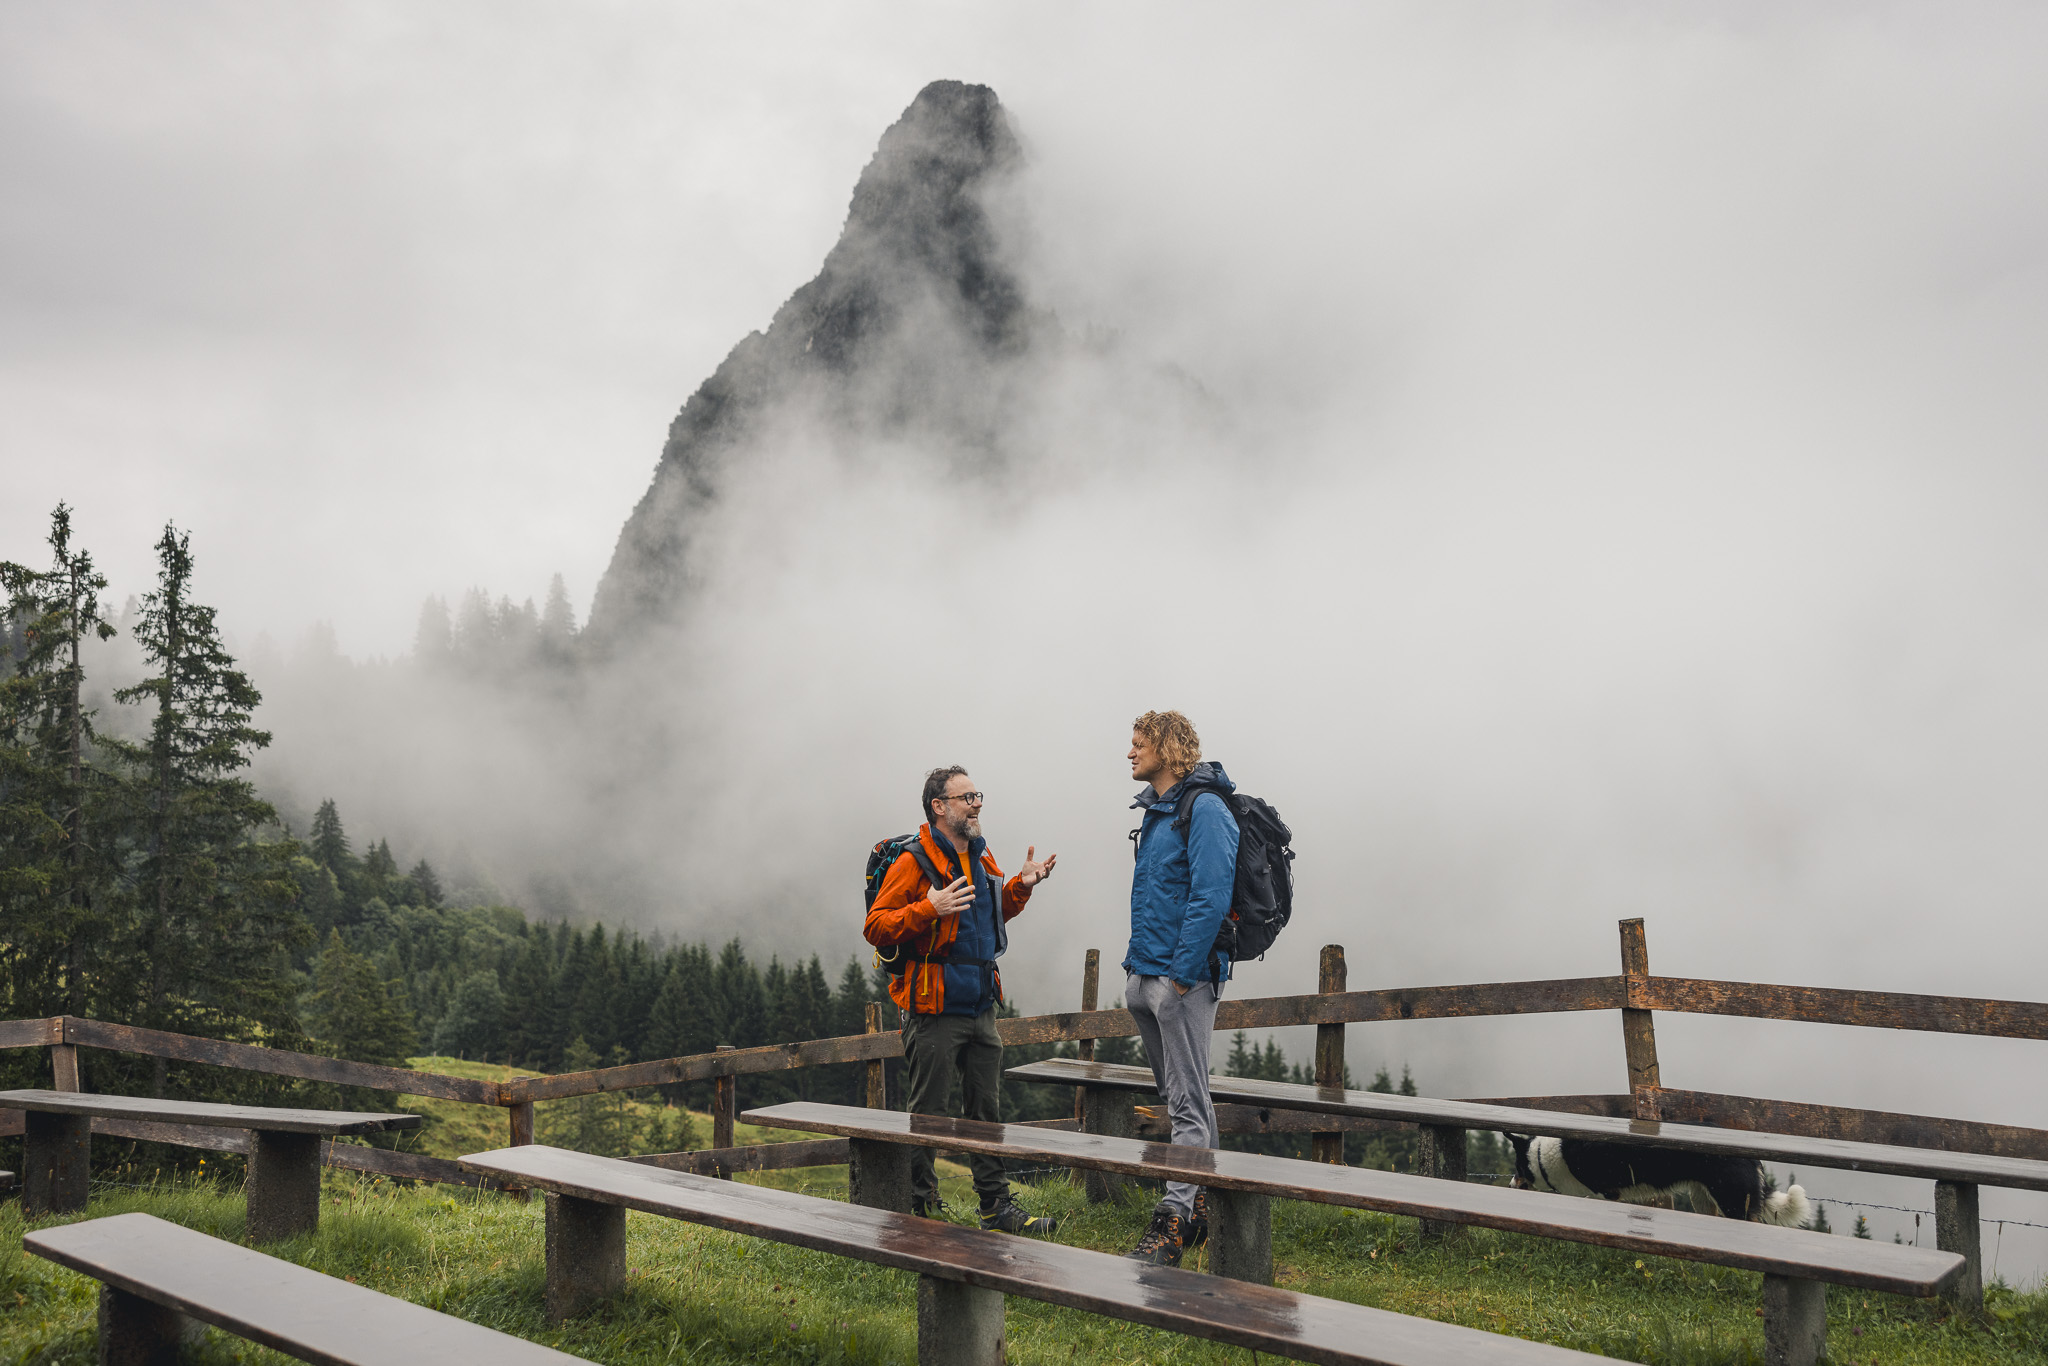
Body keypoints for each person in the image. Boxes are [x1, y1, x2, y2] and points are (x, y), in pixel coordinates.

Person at [864, 765, 1060, 1233]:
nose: (977, 804)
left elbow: (993, 914)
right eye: (967, 797)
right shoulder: (913, 861)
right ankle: (920, 1209)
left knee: (985, 1112)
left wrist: (1021, 886)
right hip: (932, 1009)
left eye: (978, 796)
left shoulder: (980, 853)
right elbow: (876, 926)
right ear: (939, 806)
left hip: (981, 1005)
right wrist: (927, 908)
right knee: (928, 1114)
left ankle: (995, 1208)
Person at [1122, 710, 1239, 1265]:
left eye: (1138, 743)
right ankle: (1203, 1203)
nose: (1130, 753)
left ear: (1166, 748)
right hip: (1147, 974)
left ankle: (1172, 1222)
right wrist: (1137, 975)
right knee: (1179, 1096)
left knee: (1189, 1102)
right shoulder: (1156, 812)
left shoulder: (1206, 809)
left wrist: (1180, 978)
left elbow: (1211, 897)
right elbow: (1155, 895)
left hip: (1183, 981)